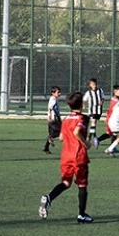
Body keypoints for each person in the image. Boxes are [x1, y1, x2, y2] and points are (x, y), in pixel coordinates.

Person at [39, 92, 94, 224]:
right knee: (82, 184)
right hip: (78, 155)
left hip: (66, 156)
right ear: (81, 104)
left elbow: (62, 137)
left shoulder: (66, 119)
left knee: (66, 183)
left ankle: (48, 197)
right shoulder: (84, 118)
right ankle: (81, 214)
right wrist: (86, 143)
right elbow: (77, 132)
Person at [82, 78, 105, 148]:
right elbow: (84, 100)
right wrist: (83, 105)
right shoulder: (88, 92)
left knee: (93, 124)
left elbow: (103, 98)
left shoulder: (100, 90)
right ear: (90, 85)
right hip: (92, 110)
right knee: (94, 122)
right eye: (93, 84)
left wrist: (102, 101)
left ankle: (90, 137)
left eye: (95, 84)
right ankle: (92, 138)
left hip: (99, 110)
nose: (94, 86)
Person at [43, 86, 62, 154]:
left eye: (59, 92)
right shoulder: (53, 99)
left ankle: (46, 148)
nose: (59, 93)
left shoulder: (53, 99)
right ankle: (50, 138)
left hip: (54, 118)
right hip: (55, 118)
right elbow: (50, 108)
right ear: (53, 93)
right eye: (58, 92)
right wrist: (50, 116)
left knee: (52, 133)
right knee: (60, 131)